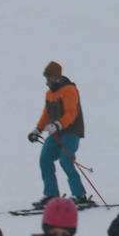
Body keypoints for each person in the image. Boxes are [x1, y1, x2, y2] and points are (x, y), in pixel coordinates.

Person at [27, 61, 90, 208]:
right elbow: (46, 115)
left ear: (56, 76)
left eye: (49, 76)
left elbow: (71, 113)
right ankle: (51, 194)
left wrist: (58, 125)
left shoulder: (69, 90)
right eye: (46, 76)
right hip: (56, 132)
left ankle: (79, 195)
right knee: (45, 158)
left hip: (71, 132)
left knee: (66, 159)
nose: (47, 80)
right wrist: (37, 130)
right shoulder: (49, 94)